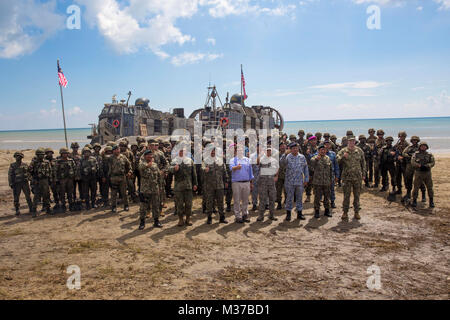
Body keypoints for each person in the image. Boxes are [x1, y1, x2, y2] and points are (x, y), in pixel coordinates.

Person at [337, 136, 365, 220]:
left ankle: (356, 212)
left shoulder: (359, 151)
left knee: (357, 196)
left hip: (357, 177)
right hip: (347, 178)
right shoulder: (343, 151)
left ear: (355, 142)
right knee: (346, 196)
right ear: (347, 142)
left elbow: (363, 163)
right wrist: (343, 157)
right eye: (350, 141)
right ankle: (345, 212)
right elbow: (337, 161)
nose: (351, 143)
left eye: (353, 141)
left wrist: (364, 174)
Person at [170, 144, 198, 226]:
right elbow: (169, 169)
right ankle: (180, 219)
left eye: (184, 151)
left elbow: (194, 174)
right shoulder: (175, 160)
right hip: (178, 187)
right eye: (181, 151)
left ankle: (188, 219)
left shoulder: (190, 161)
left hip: (188, 186)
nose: (182, 152)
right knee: (179, 204)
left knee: (189, 204)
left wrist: (195, 184)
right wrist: (174, 169)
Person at [282, 142, 309, 221]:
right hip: (289, 182)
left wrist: (306, 179)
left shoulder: (302, 157)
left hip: (299, 181)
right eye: (293, 148)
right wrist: (284, 154)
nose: (295, 149)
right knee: (289, 198)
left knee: (299, 198)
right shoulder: (287, 157)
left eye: (296, 148)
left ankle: (299, 213)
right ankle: (288, 214)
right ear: (290, 149)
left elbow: (305, 168)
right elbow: (282, 164)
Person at [202, 147, 229, 224]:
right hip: (209, 185)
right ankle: (209, 218)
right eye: (211, 151)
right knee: (209, 202)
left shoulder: (220, 160)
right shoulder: (205, 160)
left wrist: (226, 180)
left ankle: (222, 217)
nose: (213, 152)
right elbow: (201, 169)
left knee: (220, 202)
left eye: (214, 151)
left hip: (220, 185)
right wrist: (205, 170)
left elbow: (224, 171)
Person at [138, 150, 163, 230]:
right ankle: (142, 222)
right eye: (148, 155)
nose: (150, 157)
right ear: (145, 156)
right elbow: (140, 168)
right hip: (145, 190)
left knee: (156, 206)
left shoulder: (155, 165)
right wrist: (148, 165)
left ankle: (156, 221)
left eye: (151, 155)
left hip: (154, 189)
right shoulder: (142, 164)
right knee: (143, 207)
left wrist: (160, 187)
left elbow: (159, 176)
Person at [229, 145, 254, 223]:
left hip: (246, 182)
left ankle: (244, 214)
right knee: (237, 200)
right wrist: (236, 167)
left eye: (241, 151)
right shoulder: (233, 160)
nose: (240, 152)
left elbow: (250, 172)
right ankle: (238, 216)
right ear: (236, 152)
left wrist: (251, 182)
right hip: (236, 183)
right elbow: (231, 168)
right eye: (238, 151)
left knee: (245, 200)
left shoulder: (248, 160)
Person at [107, 145, 132, 213]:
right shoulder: (110, 158)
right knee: (113, 193)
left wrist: (129, 172)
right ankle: (113, 207)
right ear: (113, 151)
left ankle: (126, 205)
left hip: (122, 177)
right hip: (113, 177)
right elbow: (106, 166)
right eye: (115, 150)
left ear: (119, 150)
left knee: (124, 193)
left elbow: (128, 165)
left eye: (117, 149)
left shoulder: (123, 157)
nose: (116, 151)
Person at [28, 148, 53, 217]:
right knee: (36, 196)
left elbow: (50, 171)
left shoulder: (47, 162)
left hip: (45, 180)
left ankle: (48, 208)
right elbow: (28, 172)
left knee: (46, 195)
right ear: (37, 155)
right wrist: (32, 180)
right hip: (37, 181)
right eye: (39, 155)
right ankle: (34, 211)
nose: (41, 156)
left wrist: (50, 180)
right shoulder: (34, 163)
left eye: (42, 155)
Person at [311, 144, 333, 218]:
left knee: (327, 197)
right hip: (318, 182)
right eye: (321, 150)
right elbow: (311, 165)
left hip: (326, 181)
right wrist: (316, 159)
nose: (323, 151)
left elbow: (331, 170)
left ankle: (327, 210)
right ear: (318, 151)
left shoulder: (328, 158)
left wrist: (331, 179)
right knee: (317, 197)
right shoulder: (315, 158)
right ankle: (316, 211)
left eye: (324, 150)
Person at [257, 147, 279, 222]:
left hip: (271, 183)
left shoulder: (274, 160)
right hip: (263, 183)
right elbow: (257, 165)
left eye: (270, 151)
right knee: (262, 199)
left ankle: (271, 215)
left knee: (272, 199)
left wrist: (276, 176)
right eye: (267, 151)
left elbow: (277, 168)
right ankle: (261, 215)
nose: (268, 152)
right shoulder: (261, 159)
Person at [401, 136, 426, 202]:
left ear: (417, 141)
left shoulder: (420, 147)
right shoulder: (409, 147)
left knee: (419, 180)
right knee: (408, 179)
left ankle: (423, 194)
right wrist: (409, 156)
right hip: (409, 165)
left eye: (416, 140)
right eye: (413, 140)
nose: (414, 141)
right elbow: (403, 153)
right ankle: (408, 193)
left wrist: (416, 157)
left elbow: (424, 154)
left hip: (417, 165)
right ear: (411, 141)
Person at [411, 142, 435, 208]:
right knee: (416, 187)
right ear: (419, 147)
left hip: (427, 173)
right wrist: (418, 165)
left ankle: (431, 201)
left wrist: (428, 165)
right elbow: (412, 162)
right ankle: (414, 200)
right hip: (419, 173)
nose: (423, 147)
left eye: (424, 146)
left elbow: (433, 162)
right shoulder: (416, 154)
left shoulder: (429, 154)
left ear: (426, 147)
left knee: (430, 187)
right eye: (422, 146)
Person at [55, 147, 77, 212]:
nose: (65, 155)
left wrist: (75, 176)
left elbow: (74, 168)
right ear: (61, 154)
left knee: (70, 192)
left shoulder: (71, 160)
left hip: (70, 179)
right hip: (62, 179)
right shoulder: (58, 161)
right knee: (62, 193)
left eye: (66, 153)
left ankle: (71, 205)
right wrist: (56, 179)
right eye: (63, 153)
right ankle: (63, 205)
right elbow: (55, 171)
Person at [322, 140, 339, 208]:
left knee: (332, 189)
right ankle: (324, 201)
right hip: (322, 175)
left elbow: (336, 165)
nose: (327, 146)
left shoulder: (333, 154)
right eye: (325, 144)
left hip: (330, 174)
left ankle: (332, 202)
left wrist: (337, 175)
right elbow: (313, 157)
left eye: (328, 144)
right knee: (322, 189)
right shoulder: (320, 153)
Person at [394, 131, 409, 195]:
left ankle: (408, 191)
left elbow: (409, 154)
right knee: (398, 177)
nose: (401, 137)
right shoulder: (397, 144)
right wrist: (396, 156)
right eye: (400, 136)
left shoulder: (407, 145)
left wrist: (403, 157)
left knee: (406, 177)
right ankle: (399, 189)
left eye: (403, 136)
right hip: (398, 163)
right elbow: (393, 151)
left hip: (404, 163)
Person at [276, 142, 287, 210]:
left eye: (283, 146)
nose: (282, 147)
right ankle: (279, 203)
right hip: (279, 175)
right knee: (278, 190)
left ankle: (286, 202)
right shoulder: (276, 154)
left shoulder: (288, 154)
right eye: (281, 146)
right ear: (279, 147)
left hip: (286, 175)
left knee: (287, 190)